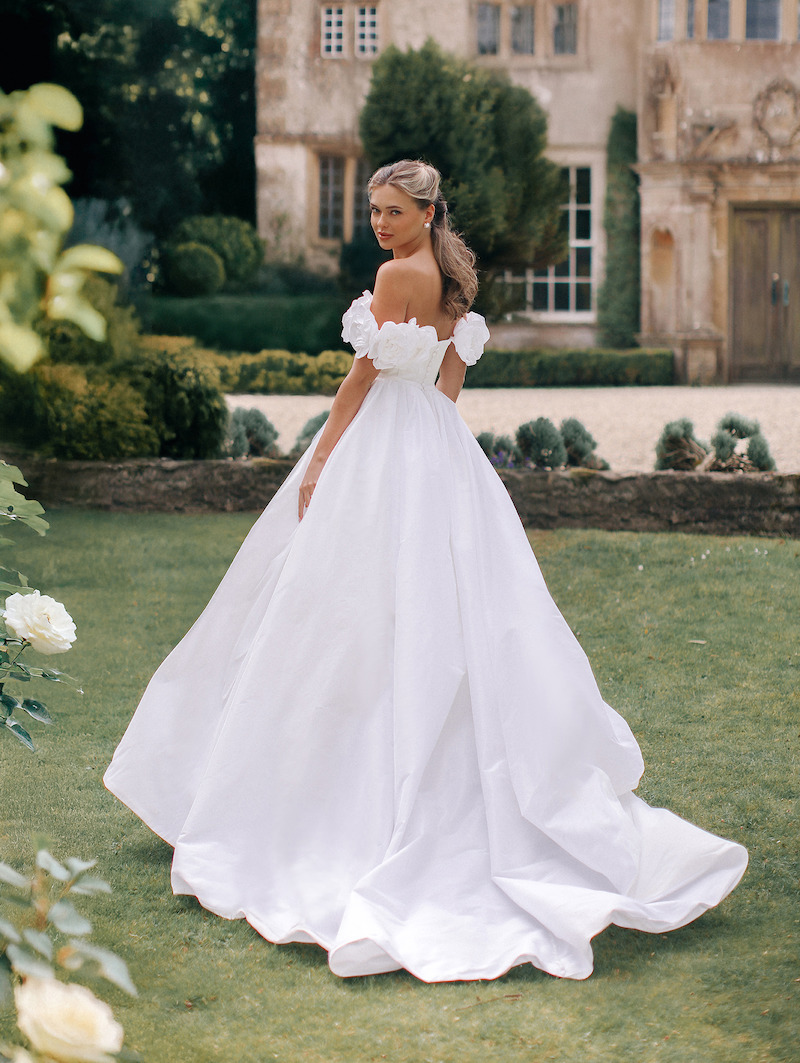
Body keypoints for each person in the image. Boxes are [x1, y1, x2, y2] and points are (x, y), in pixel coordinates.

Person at [104, 160, 747, 983]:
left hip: (382, 442)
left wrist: (323, 458)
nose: (378, 222)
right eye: (373, 210)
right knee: (448, 610)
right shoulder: (451, 279)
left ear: (427, 209)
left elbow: (360, 376)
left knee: (340, 613)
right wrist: (433, 459)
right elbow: (449, 384)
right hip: (439, 451)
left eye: (393, 210)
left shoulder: (395, 276)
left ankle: (299, 804)